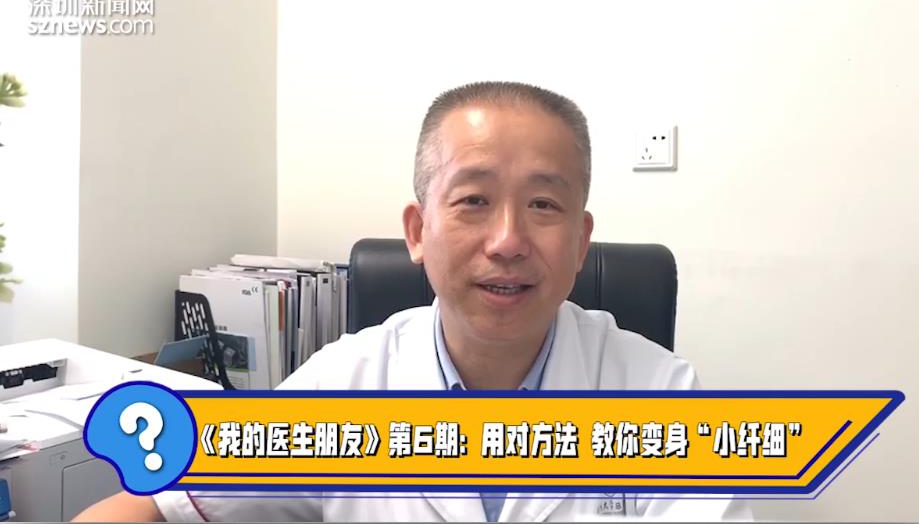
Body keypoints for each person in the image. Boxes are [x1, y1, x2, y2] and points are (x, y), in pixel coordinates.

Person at [75, 82, 752, 521]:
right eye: (473, 200)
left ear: (580, 242)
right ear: (418, 232)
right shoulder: (343, 385)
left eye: (544, 204)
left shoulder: (663, 396)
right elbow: (153, 509)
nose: (508, 241)